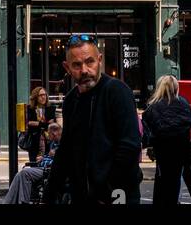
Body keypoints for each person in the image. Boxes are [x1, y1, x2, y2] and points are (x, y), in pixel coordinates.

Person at [44, 35, 142, 206]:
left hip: (117, 194)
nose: (84, 70)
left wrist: (109, 190)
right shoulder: (70, 101)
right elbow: (65, 150)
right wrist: (51, 192)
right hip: (82, 195)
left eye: (90, 62)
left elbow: (129, 147)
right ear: (67, 68)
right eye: (76, 65)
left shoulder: (117, 92)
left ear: (100, 60)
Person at [141, 75, 191, 206]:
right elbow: (190, 122)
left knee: (162, 185)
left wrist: (149, 144)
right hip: (182, 151)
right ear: (176, 87)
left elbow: (147, 133)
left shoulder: (154, 107)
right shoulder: (184, 103)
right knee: (187, 180)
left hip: (163, 153)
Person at [5, 121, 62, 204]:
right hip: (43, 168)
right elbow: (49, 156)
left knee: (25, 173)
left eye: (49, 134)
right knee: (19, 175)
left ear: (54, 133)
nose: (48, 136)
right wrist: (43, 158)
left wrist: (44, 159)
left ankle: (23, 201)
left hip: (49, 170)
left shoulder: (61, 144)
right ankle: (9, 202)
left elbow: (54, 161)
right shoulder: (53, 143)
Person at [25, 86, 57, 164]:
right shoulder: (30, 109)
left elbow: (51, 124)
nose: (43, 97)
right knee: (33, 163)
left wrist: (37, 123)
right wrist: (44, 123)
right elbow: (28, 123)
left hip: (48, 141)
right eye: (41, 95)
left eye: (44, 95)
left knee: (47, 165)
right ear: (35, 97)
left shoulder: (51, 108)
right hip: (34, 141)